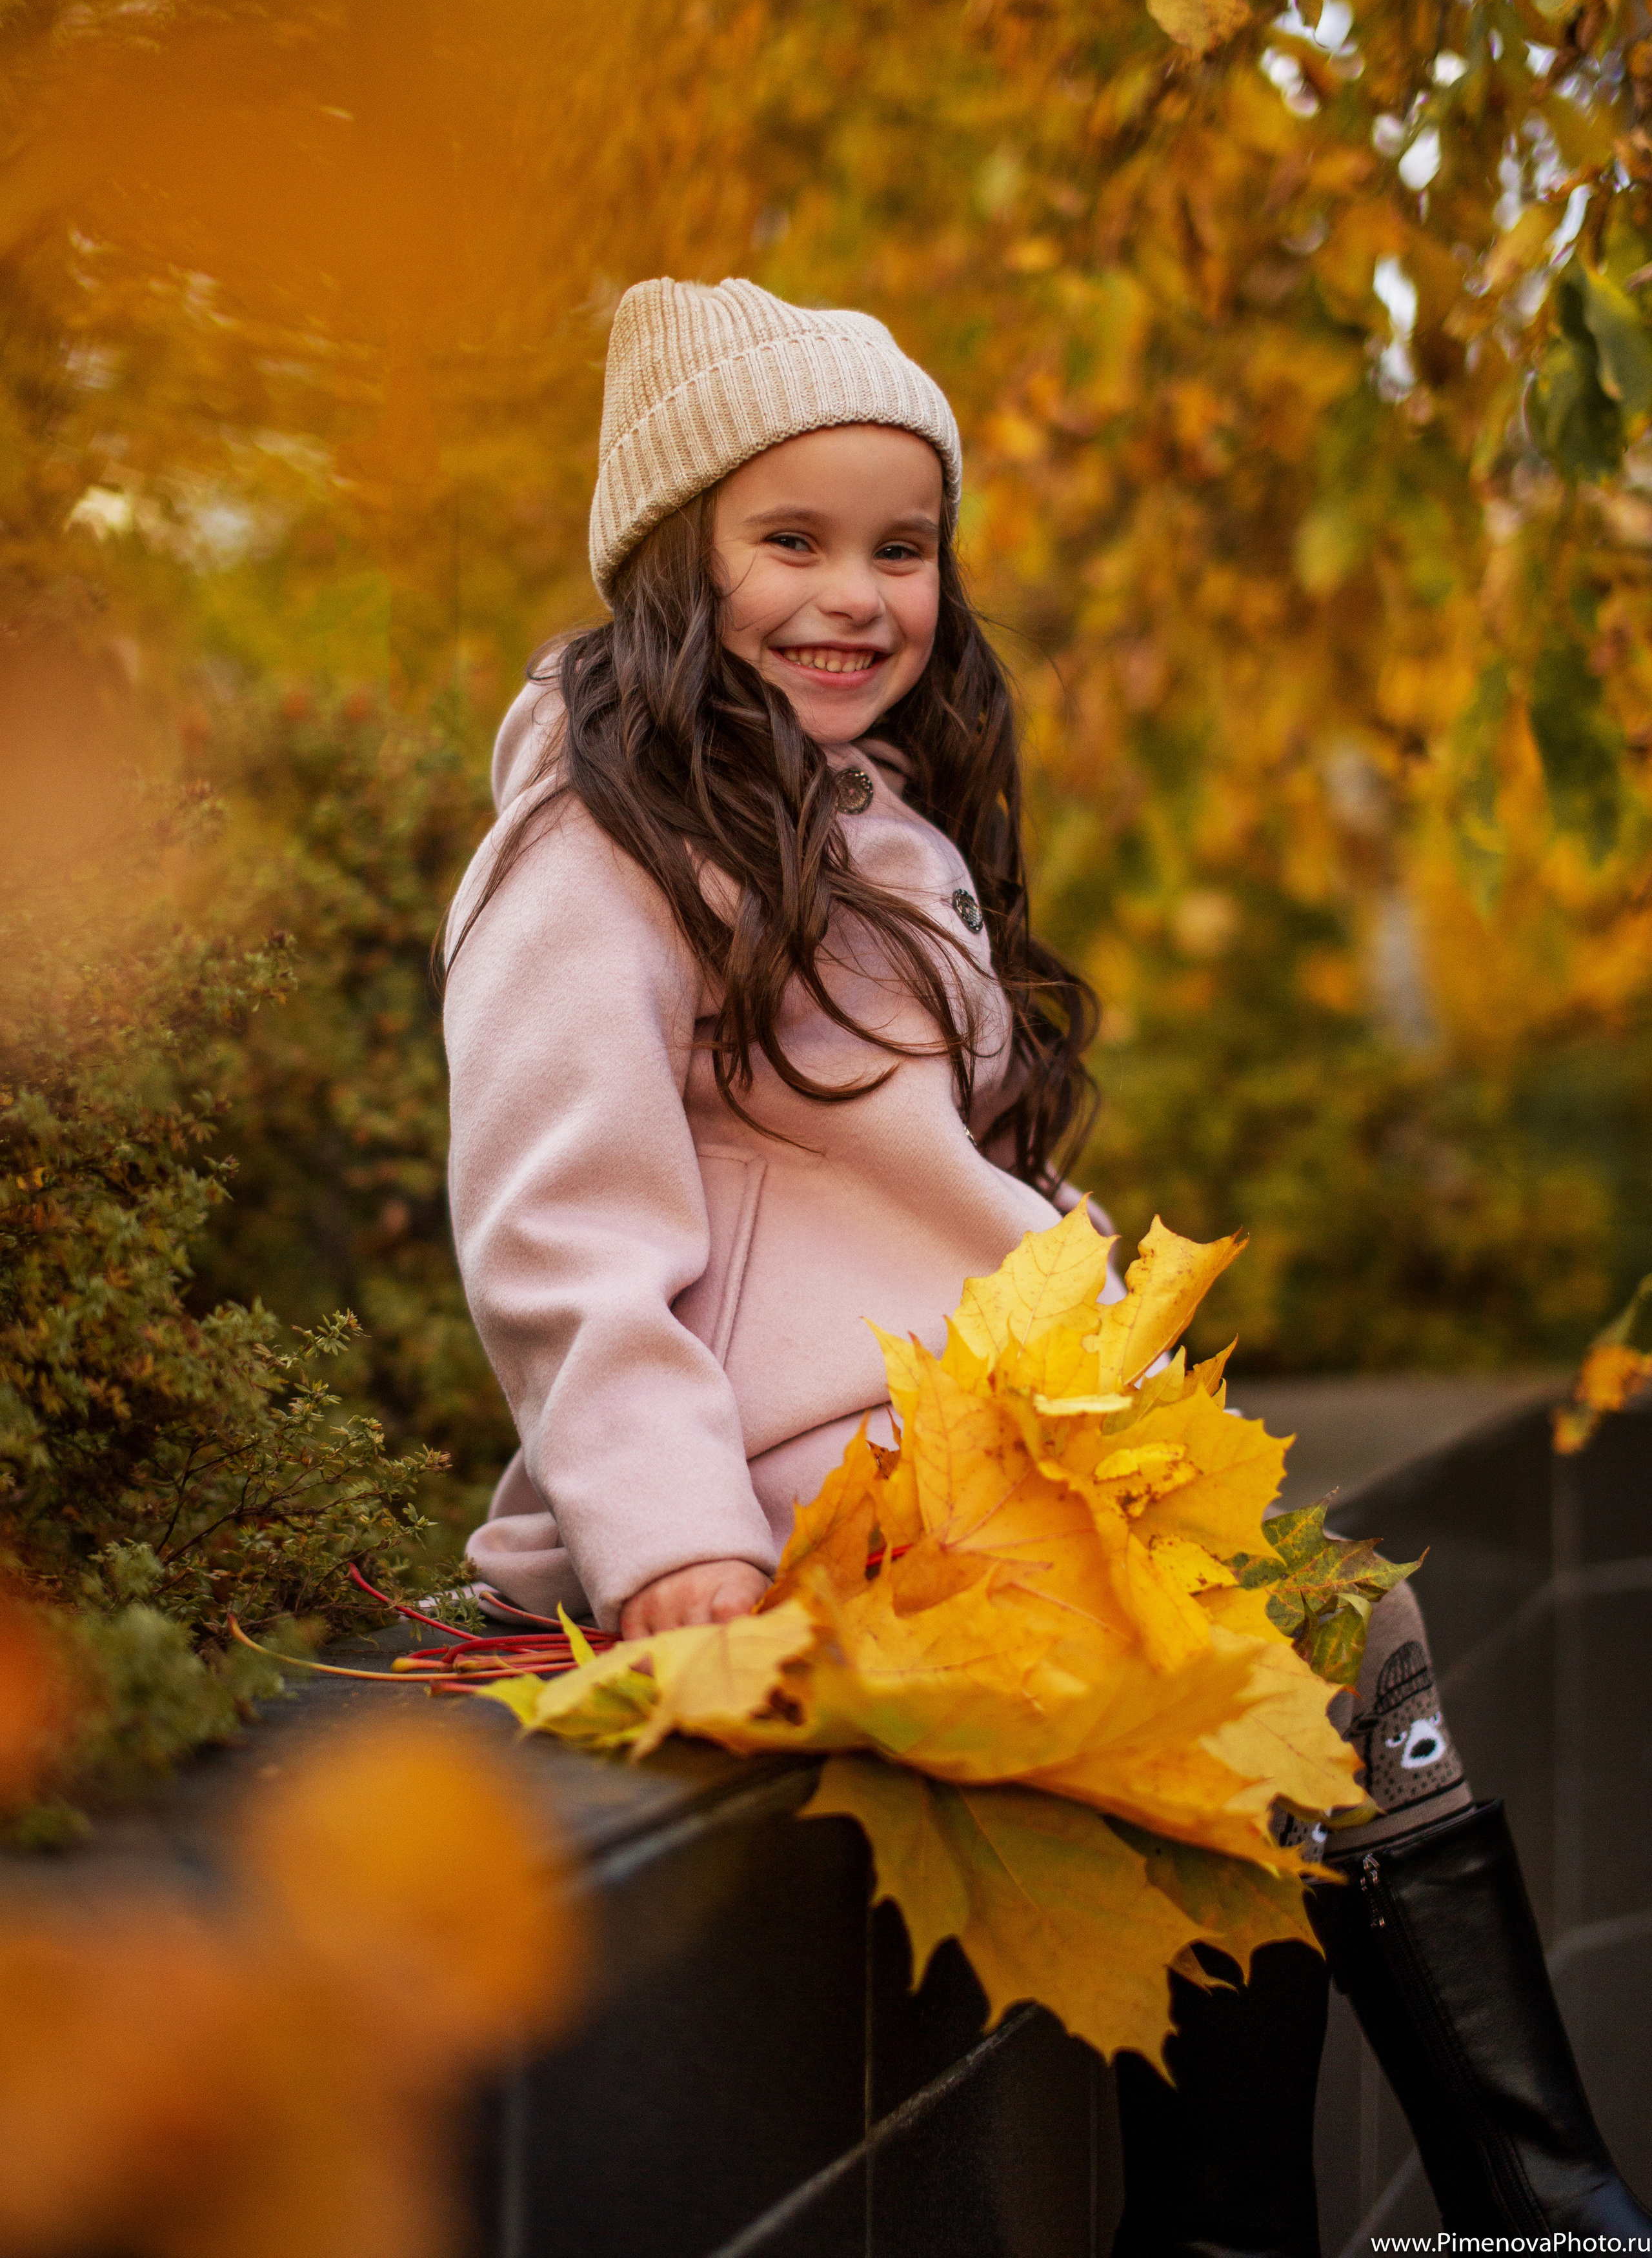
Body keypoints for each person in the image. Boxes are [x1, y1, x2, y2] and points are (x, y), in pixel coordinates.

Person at [441, 276, 1648, 2255]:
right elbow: (561, 1231)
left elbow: (918, 1191)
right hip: (790, 1488)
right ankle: (1522, 2208)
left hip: (963, 1444)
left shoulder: (868, 824)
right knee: (1228, 1699)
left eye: (900, 549)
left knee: (1336, 1655)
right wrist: (667, 1536)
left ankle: (1519, 2194)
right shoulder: (600, 849)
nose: (857, 595)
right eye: (793, 542)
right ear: (680, 558)